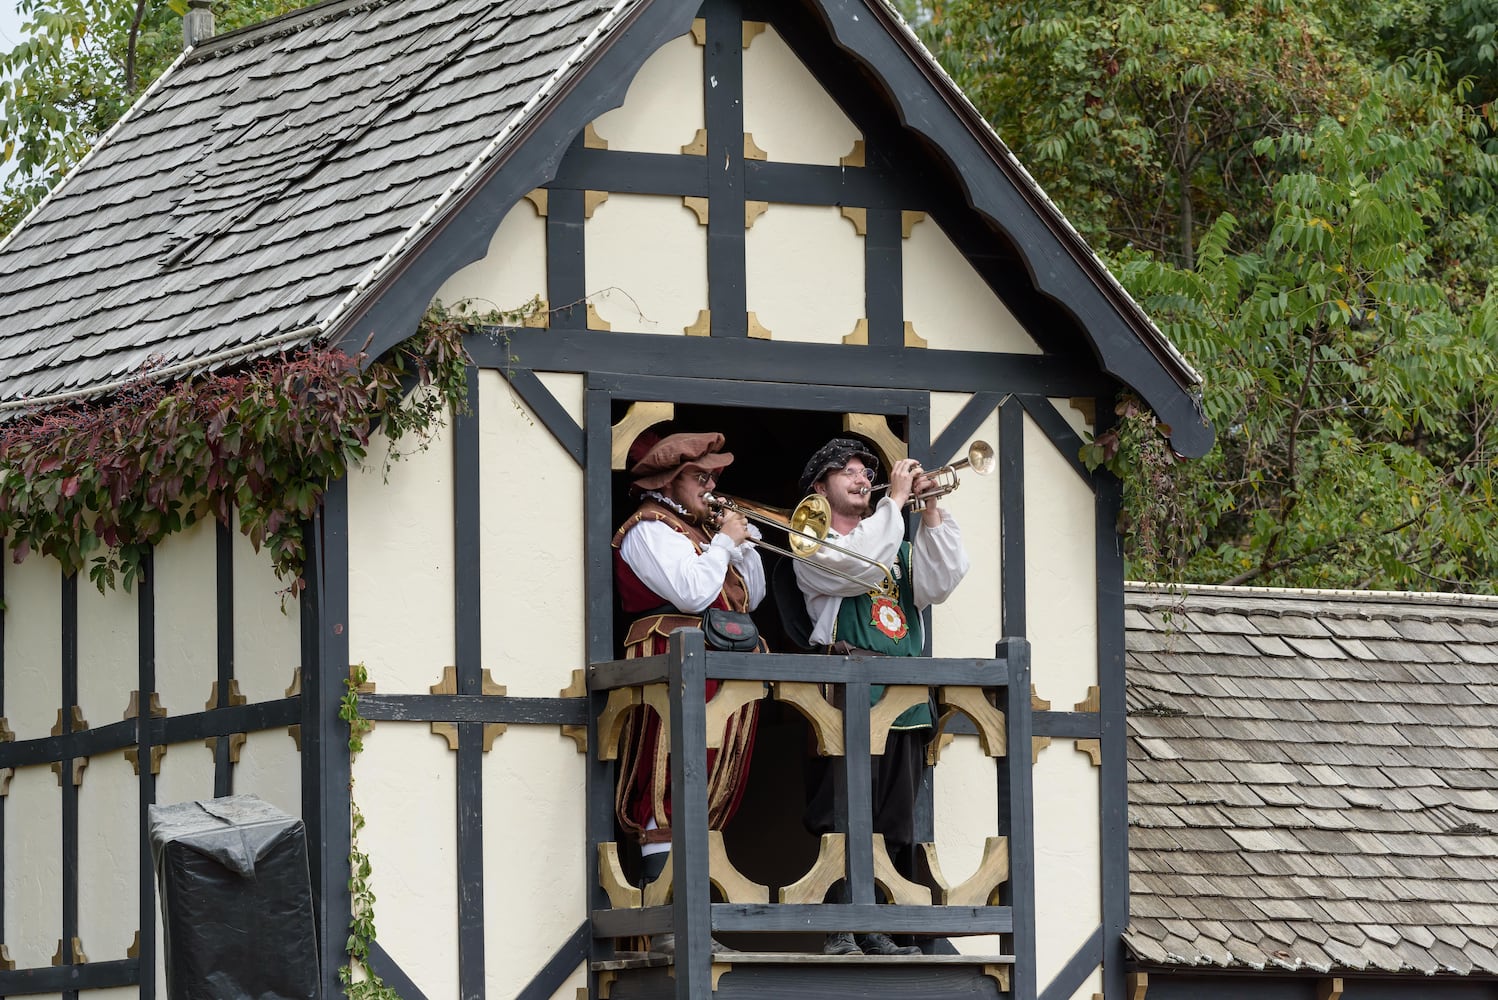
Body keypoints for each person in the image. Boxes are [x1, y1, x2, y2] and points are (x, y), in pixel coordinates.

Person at [793, 437, 970, 957]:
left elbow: (942, 580)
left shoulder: (895, 542)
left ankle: (874, 926)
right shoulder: (812, 544)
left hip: (905, 698)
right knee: (844, 813)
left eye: (864, 471)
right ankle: (839, 928)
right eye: (845, 471)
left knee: (894, 818)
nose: (860, 477)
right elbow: (862, 566)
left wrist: (931, 508)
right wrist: (894, 501)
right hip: (848, 695)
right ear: (819, 489)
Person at [612, 431, 766, 956]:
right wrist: (723, 543)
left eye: (714, 478)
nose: (712, 487)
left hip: (715, 670)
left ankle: (694, 925)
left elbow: (751, 597)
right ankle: (666, 929)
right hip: (672, 671)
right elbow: (694, 592)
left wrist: (739, 548)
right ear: (666, 480)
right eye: (701, 477)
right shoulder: (648, 529)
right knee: (665, 784)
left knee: (703, 792)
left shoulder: (700, 532)